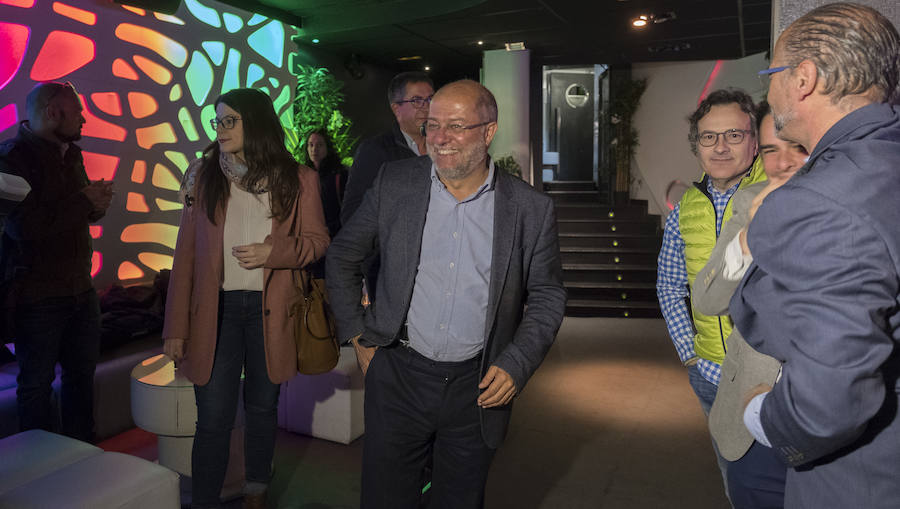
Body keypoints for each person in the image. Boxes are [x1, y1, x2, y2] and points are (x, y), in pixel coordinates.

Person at [326, 79, 566, 509]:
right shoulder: (395, 182)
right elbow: (343, 255)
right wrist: (358, 335)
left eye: (455, 126)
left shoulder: (530, 209)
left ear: (489, 131)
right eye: (432, 125)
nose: (438, 139)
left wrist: (517, 363)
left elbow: (547, 295)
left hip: (476, 388)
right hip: (397, 374)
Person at [731, 4, 900, 508]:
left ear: (801, 78)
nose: (770, 91)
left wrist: (762, 415)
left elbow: (827, 406)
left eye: (771, 75)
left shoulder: (818, 200)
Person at [162, 88, 329, 509]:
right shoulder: (202, 176)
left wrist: (276, 252)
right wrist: (175, 328)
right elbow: (185, 258)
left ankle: (256, 490)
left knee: (261, 408)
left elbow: (318, 242)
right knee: (213, 418)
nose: (220, 129)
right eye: (216, 121)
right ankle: (204, 500)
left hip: (269, 314)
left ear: (254, 122)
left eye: (229, 120)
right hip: (214, 314)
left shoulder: (299, 178)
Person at [693, 101, 808, 509]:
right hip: (749, 410)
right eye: (774, 149)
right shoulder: (750, 201)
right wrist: (745, 240)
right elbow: (703, 297)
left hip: (829, 412)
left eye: (798, 147)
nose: (785, 162)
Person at [656, 88, 766, 496]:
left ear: (754, 143)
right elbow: (668, 284)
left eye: (734, 136)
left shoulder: (773, 197)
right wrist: (691, 353)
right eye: (708, 137)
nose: (720, 147)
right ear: (696, 146)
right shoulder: (686, 207)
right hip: (711, 377)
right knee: (735, 486)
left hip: (765, 380)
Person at [0, 81, 113, 442]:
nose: (84, 119)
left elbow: (67, 214)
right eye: (77, 111)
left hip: (80, 289)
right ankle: (41, 470)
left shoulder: (71, 153)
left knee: (81, 378)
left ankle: (82, 456)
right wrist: (84, 202)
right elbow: (22, 226)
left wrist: (94, 206)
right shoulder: (10, 157)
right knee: (36, 386)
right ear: (52, 112)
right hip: (37, 296)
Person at [339, 72, 434, 301]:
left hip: (437, 265)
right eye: (416, 100)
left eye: (431, 99)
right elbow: (353, 213)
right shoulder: (377, 150)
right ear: (396, 108)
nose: (426, 107)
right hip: (392, 270)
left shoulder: (443, 148)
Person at [303, 129, 347, 278]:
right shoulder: (301, 176)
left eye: (319, 145)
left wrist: (331, 228)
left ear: (327, 147)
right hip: (310, 242)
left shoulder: (339, 175)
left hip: (334, 240)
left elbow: (347, 210)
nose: (314, 149)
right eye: (311, 145)